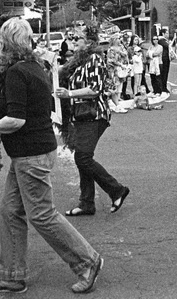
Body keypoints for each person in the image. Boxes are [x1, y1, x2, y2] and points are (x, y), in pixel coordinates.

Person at [0, 17, 103, 294]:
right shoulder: (33, 66)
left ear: (5, 43)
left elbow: (16, 120)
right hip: (32, 152)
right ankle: (12, 275)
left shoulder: (16, 72)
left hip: (31, 154)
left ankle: (87, 261)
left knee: (42, 214)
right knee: (11, 212)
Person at [56, 22, 130, 219]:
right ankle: (87, 203)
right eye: (72, 39)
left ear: (88, 42)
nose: (73, 43)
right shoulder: (78, 61)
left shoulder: (95, 59)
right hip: (81, 115)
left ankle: (117, 190)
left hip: (94, 114)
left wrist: (68, 93)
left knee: (83, 157)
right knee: (82, 158)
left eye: (77, 39)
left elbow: (95, 89)